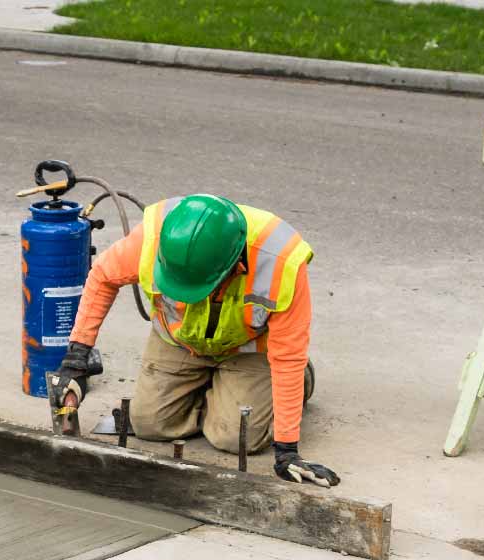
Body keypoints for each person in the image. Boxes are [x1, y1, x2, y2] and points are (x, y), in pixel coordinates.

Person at [49, 194, 339, 487]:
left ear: (234, 266)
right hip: (179, 340)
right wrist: (77, 357)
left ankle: (300, 380)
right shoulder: (155, 239)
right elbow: (102, 276)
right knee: (149, 424)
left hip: (247, 348)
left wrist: (287, 450)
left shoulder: (281, 263)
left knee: (235, 437)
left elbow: (287, 357)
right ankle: (217, 391)